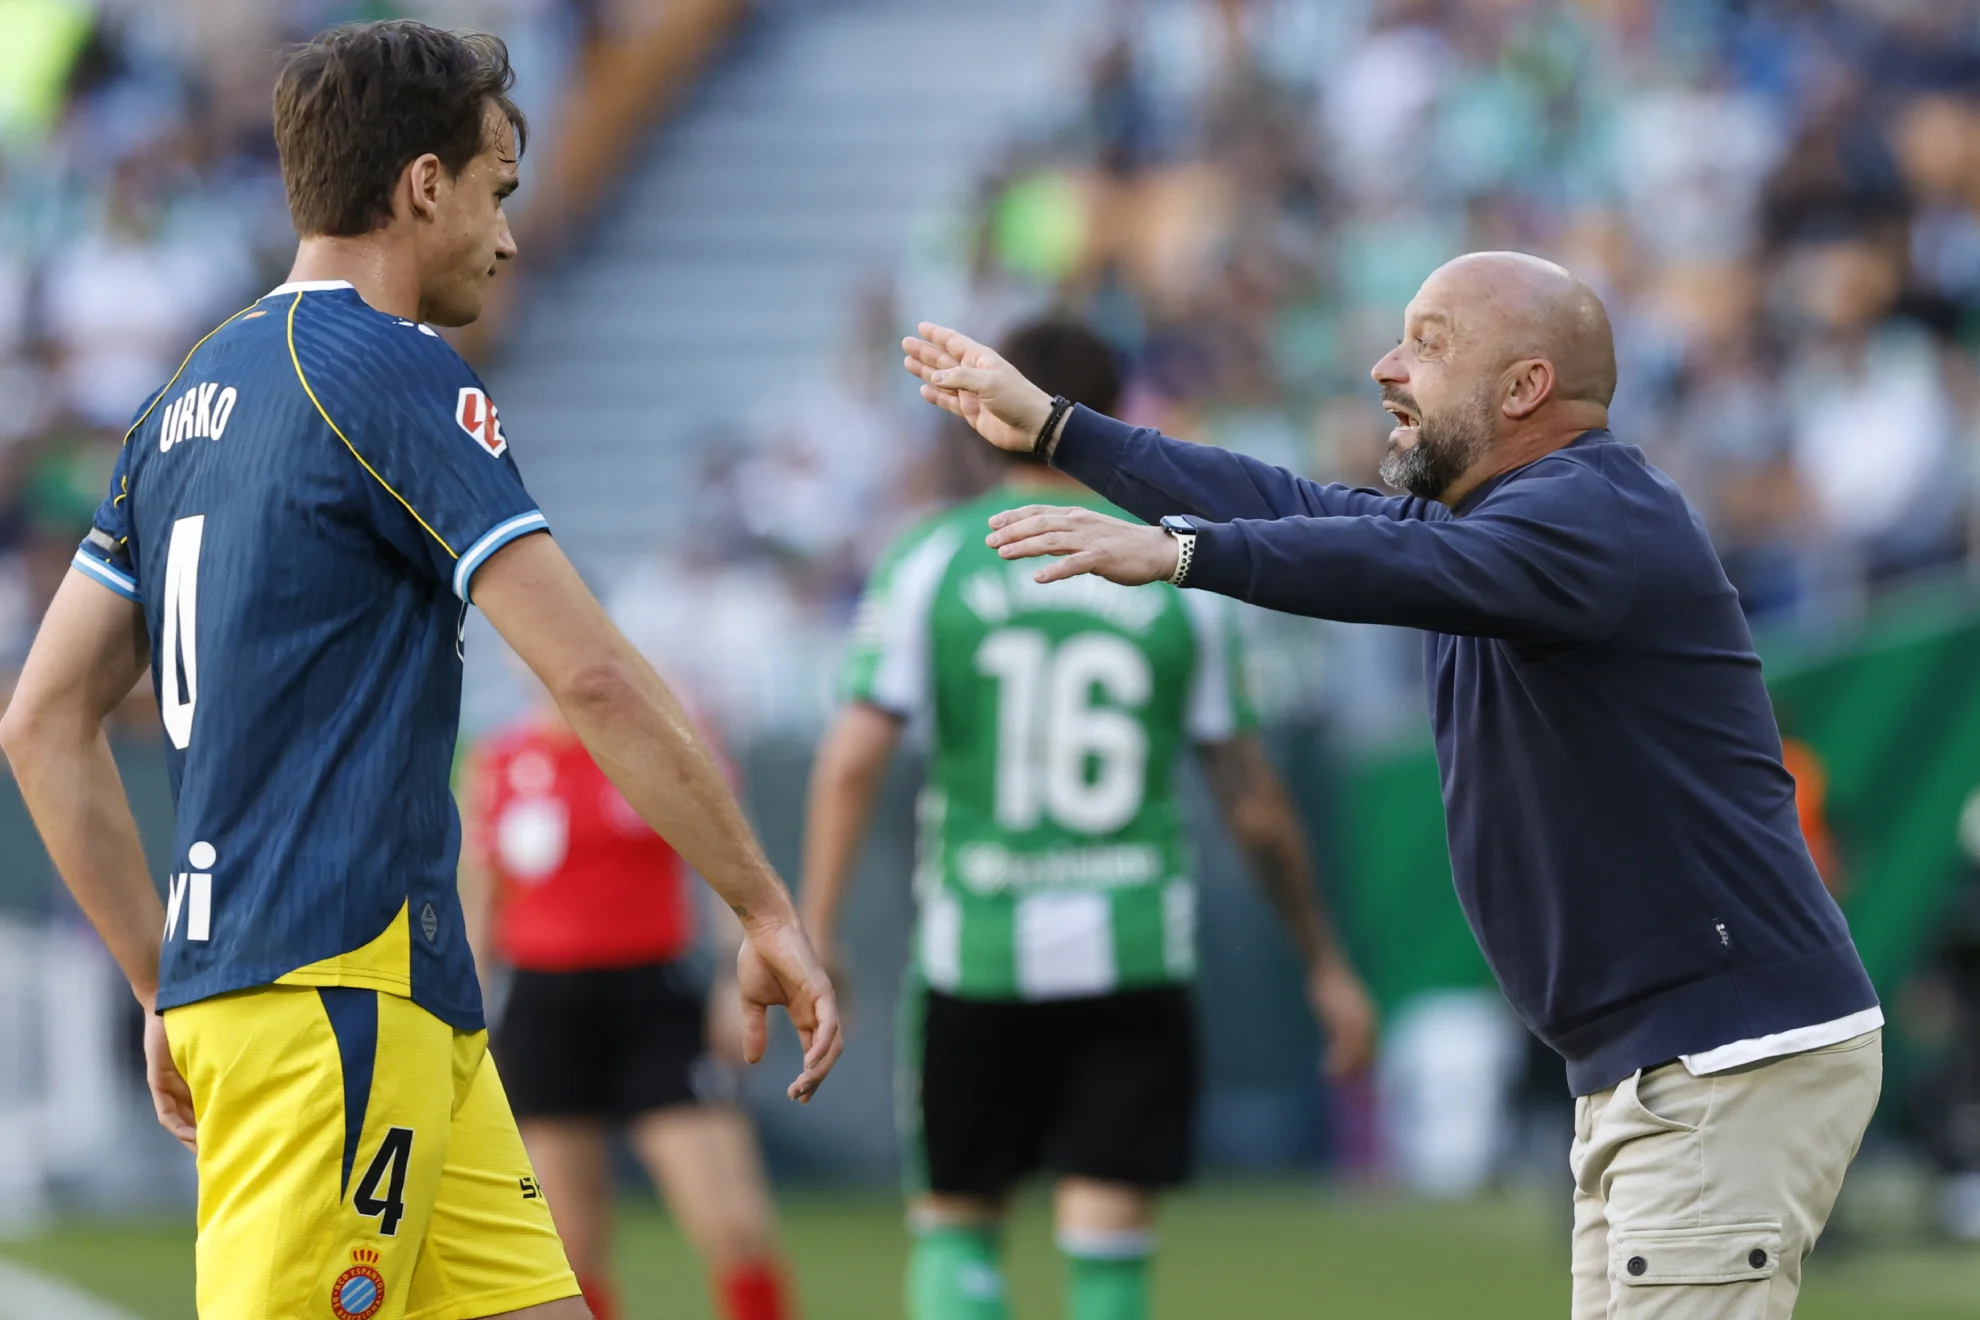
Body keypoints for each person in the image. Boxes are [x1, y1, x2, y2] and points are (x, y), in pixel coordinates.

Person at [0, 21, 840, 1320]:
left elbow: (42, 721)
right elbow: (593, 677)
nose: (509, 239)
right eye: (499, 192)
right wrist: (764, 907)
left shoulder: (181, 401)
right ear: (424, 185)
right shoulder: (390, 370)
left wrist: (163, 979)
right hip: (337, 997)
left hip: (382, 1003)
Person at [900, 252, 1883, 1320]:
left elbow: (1378, 565)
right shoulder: (1513, 517)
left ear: (1526, 387)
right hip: (1663, 1059)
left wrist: (1181, 554)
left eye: (1428, 343)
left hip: (1722, 1053)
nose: (1385, 366)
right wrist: (1059, 430)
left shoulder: (1591, 513)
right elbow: (1300, 508)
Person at [804, 319, 1376, 1320]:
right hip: (1133, 947)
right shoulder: (1174, 567)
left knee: (958, 1229)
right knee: (1109, 1247)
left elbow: (853, 758)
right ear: (1113, 412)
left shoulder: (931, 558)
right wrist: (1323, 959)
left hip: (976, 951)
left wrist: (815, 930)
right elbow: (1255, 805)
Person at [461, 695, 799, 1320]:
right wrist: (470, 1011)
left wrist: (734, 978)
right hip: (543, 1009)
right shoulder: (500, 759)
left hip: (652, 999)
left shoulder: (656, 739)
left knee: (734, 1225)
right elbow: (479, 896)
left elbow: (728, 861)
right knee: (569, 1242)